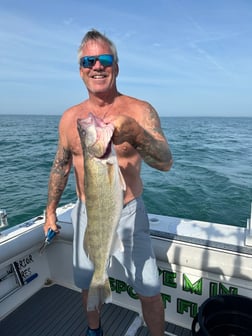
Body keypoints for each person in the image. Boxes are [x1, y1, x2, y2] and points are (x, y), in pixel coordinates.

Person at [44, 29, 173, 336]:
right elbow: (60, 167)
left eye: (104, 59)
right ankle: (94, 330)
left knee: (150, 289)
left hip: (128, 213)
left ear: (116, 65)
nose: (96, 66)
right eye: (89, 60)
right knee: (89, 283)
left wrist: (136, 134)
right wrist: (50, 211)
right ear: (80, 70)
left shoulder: (140, 110)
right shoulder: (70, 118)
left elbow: (166, 162)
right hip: (88, 213)